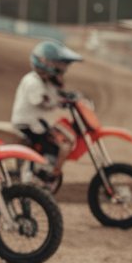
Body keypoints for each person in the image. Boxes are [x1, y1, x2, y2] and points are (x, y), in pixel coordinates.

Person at [11, 40, 84, 180]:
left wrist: (66, 96)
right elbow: (43, 101)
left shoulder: (44, 81)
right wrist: (60, 101)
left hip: (37, 123)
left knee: (60, 139)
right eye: (58, 68)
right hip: (27, 125)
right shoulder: (32, 81)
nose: (62, 72)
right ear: (47, 64)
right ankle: (39, 174)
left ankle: (45, 173)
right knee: (52, 147)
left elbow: (55, 94)